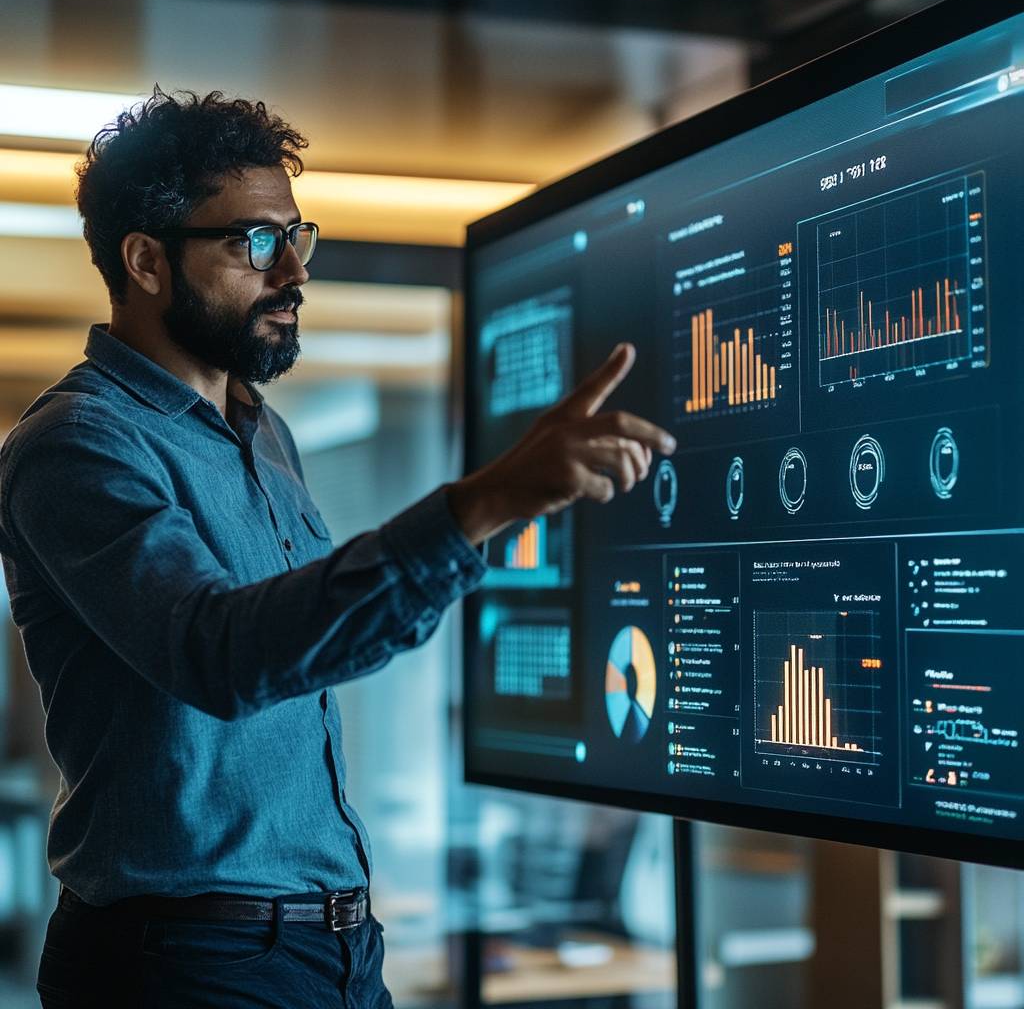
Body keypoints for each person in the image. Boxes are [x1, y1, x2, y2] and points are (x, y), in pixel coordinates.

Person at [0, 86, 675, 1008]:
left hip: (336, 950)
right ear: (146, 261)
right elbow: (223, 652)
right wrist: (487, 500)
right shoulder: (76, 443)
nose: (293, 274)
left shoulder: (265, 435)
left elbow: (306, 638)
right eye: (256, 243)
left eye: (297, 236)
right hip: (188, 966)